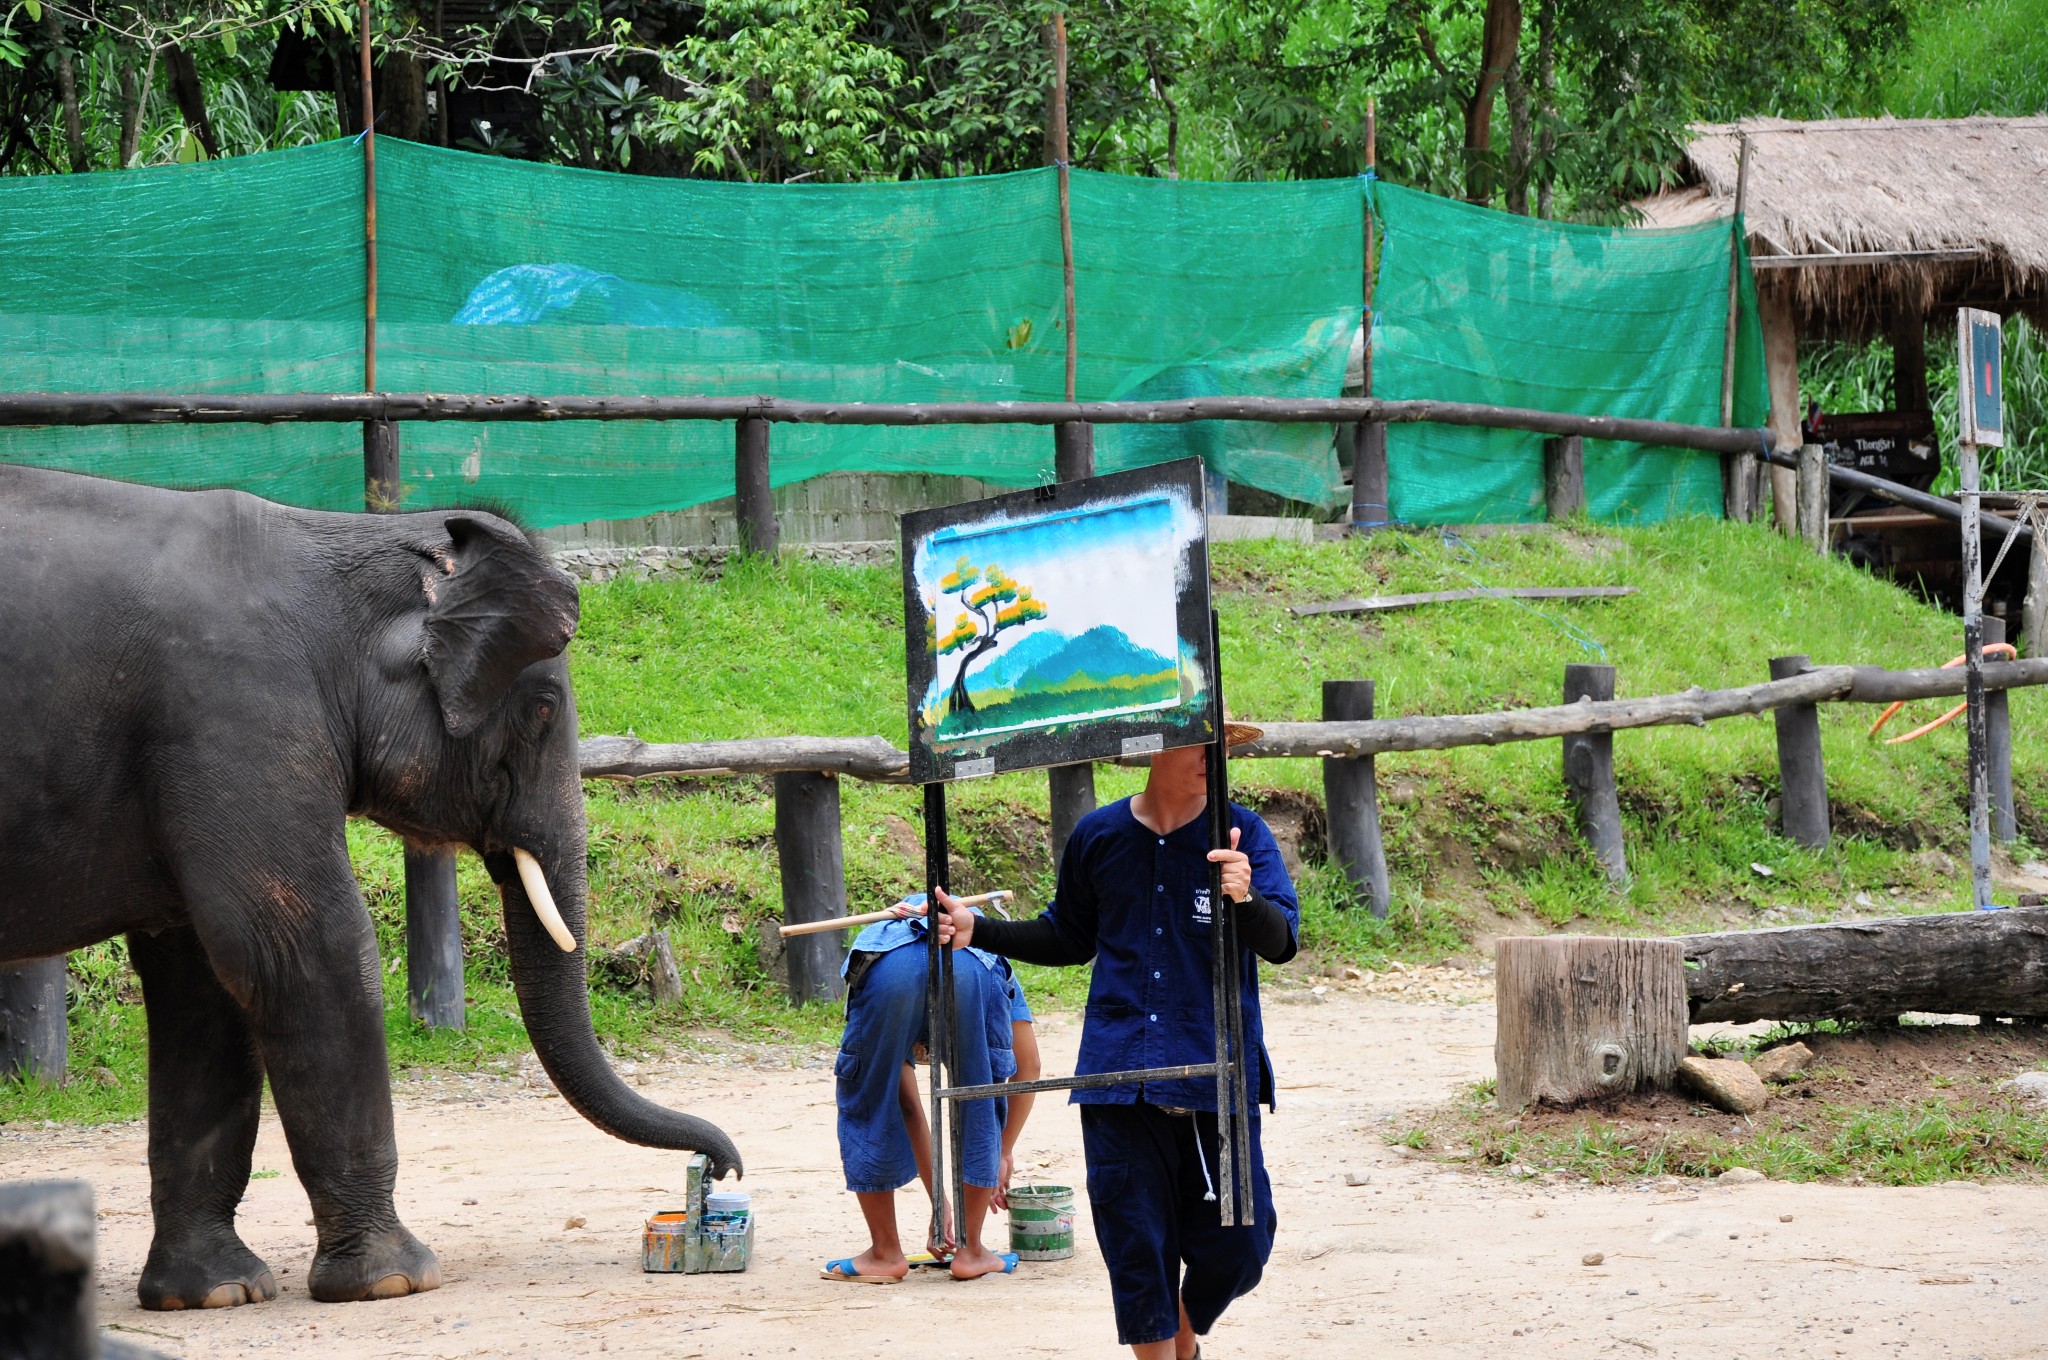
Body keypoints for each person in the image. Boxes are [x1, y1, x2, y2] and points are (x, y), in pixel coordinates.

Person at [938, 734, 1298, 1359]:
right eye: (1199, 745)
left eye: (1221, 749)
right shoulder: (1099, 835)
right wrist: (980, 930)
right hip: (1116, 1074)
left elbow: (1282, 940)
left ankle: (1182, 1328)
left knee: (1241, 1246)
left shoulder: (1243, 835)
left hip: (1216, 1074)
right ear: (1157, 746)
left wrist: (1246, 896)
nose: (1213, 761)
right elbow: (1068, 936)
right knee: (1135, 1248)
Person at [822, 895, 1037, 1283]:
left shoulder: (888, 944)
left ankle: (885, 1253)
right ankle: (971, 1251)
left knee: (871, 1096)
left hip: (888, 965)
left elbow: (905, 1104)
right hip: (972, 963)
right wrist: (1002, 1150)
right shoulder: (985, 944)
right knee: (979, 1093)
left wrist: (939, 1199)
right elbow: (1029, 1068)